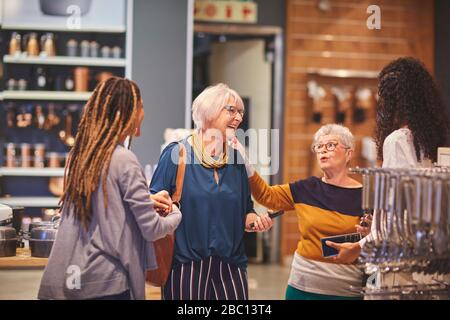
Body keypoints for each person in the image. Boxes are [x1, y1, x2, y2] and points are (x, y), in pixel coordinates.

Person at [38, 77, 181, 300]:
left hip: (74, 277)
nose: (143, 112)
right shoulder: (125, 159)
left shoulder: (82, 156)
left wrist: (147, 199)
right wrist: (176, 212)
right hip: (108, 282)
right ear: (126, 112)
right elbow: (152, 229)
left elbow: (104, 203)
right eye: (140, 106)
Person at [150, 83, 273, 300]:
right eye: (231, 110)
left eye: (240, 112)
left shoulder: (237, 161)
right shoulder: (176, 154)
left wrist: (255, 222)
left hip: (231, 264)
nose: (238, 117)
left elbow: (246, 211)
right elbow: (153, 206)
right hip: (185, 265)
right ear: (208, 111)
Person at [329, 57, 450, 263]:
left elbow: (398, 212)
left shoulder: (398, 140)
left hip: (404, 255)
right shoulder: (437, 138)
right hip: (438, 249)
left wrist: (360, 245)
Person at [234, 123, 365, 300]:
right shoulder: (306, 188)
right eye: (318, 146)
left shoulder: (364, 196)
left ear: (349, 153)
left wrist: (361, 244)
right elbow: (267, 195)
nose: (322, 151)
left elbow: (377, 238)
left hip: (345, 290)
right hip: (301, 288)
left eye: (331, 145)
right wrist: (246, 162)